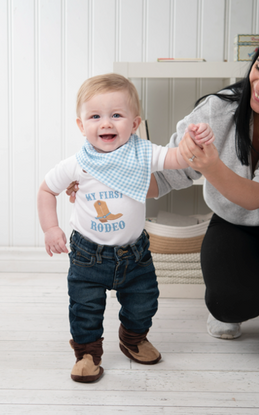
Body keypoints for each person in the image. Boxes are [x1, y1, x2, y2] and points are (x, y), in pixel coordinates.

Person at [69, 52, 259, 342]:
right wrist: (95, 179)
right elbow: (167, 174)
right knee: (228, 302)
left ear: (135, 123)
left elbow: (254, 198)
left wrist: (210, 165)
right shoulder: (217, 109)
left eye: (116, 115)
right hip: (234, 222)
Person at [37, 73, 214, 383]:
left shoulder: (142, 153)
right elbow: (46, 190)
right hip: (87, 255)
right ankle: (87, 353)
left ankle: (133, 338)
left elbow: (174, 159)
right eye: (95, 116)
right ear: (81, 125)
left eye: (116, 115)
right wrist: (51, 228)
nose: (106, 123)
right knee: (84, 308)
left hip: (134, 254)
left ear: (134, 124)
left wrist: (190, 144)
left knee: (144, 301)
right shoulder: (78, 164)